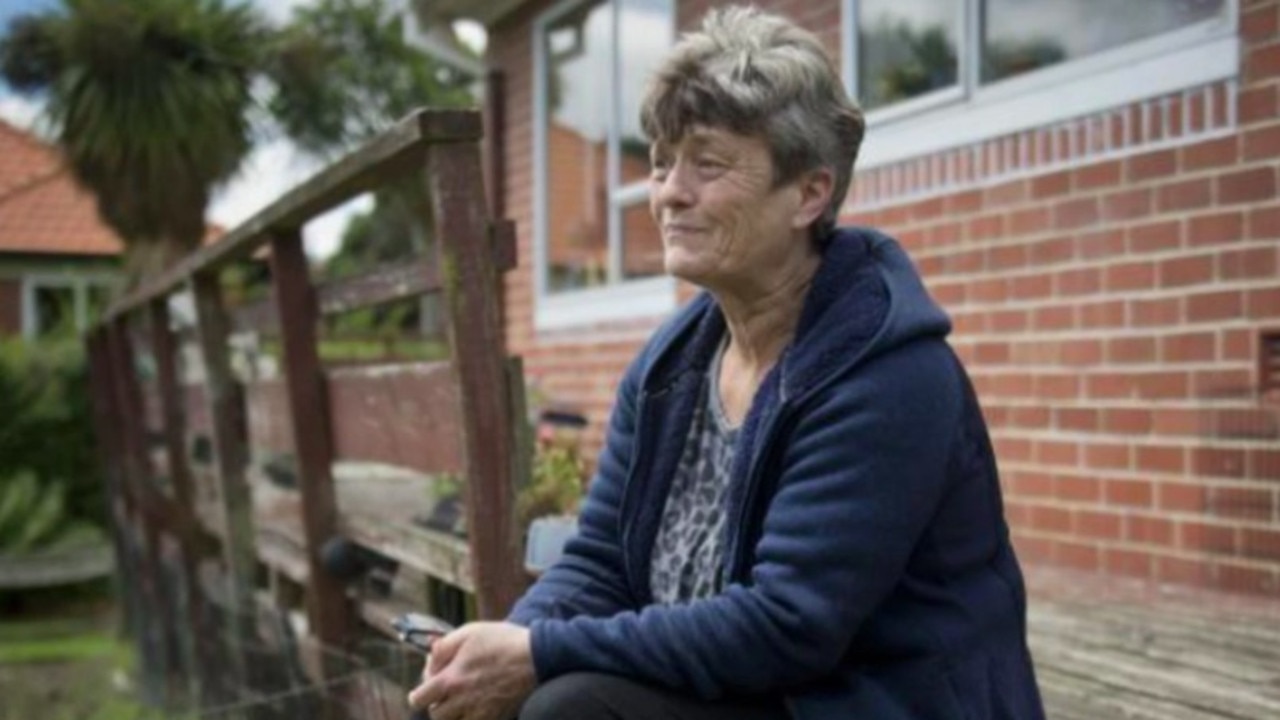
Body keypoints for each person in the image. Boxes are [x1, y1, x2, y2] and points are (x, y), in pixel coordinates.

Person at [408, 6, 1046, 720]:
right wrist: (505, 643)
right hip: (749, 689)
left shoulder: (886, 374)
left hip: (866, 700)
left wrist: (542, 654)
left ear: (809, 192)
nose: (669, 192)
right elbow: (601, 561)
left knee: (571, 708)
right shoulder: (671, 366)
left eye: (707, 165)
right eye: (659, 163)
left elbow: (787, 625)